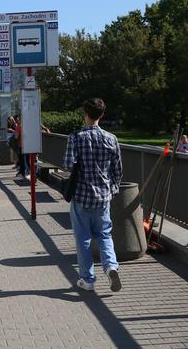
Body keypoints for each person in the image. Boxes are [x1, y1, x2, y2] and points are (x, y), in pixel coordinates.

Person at [63, 98, 123, 292]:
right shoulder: (111, 138)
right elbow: (118, 170)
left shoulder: (75, 136)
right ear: (102, 115)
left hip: (81, 196)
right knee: (105, 235)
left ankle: (88, 280)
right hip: (103, 197)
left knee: (83, 239)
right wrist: (112, 189)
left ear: (85, 114)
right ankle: (111, 267)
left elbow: (67, 164)